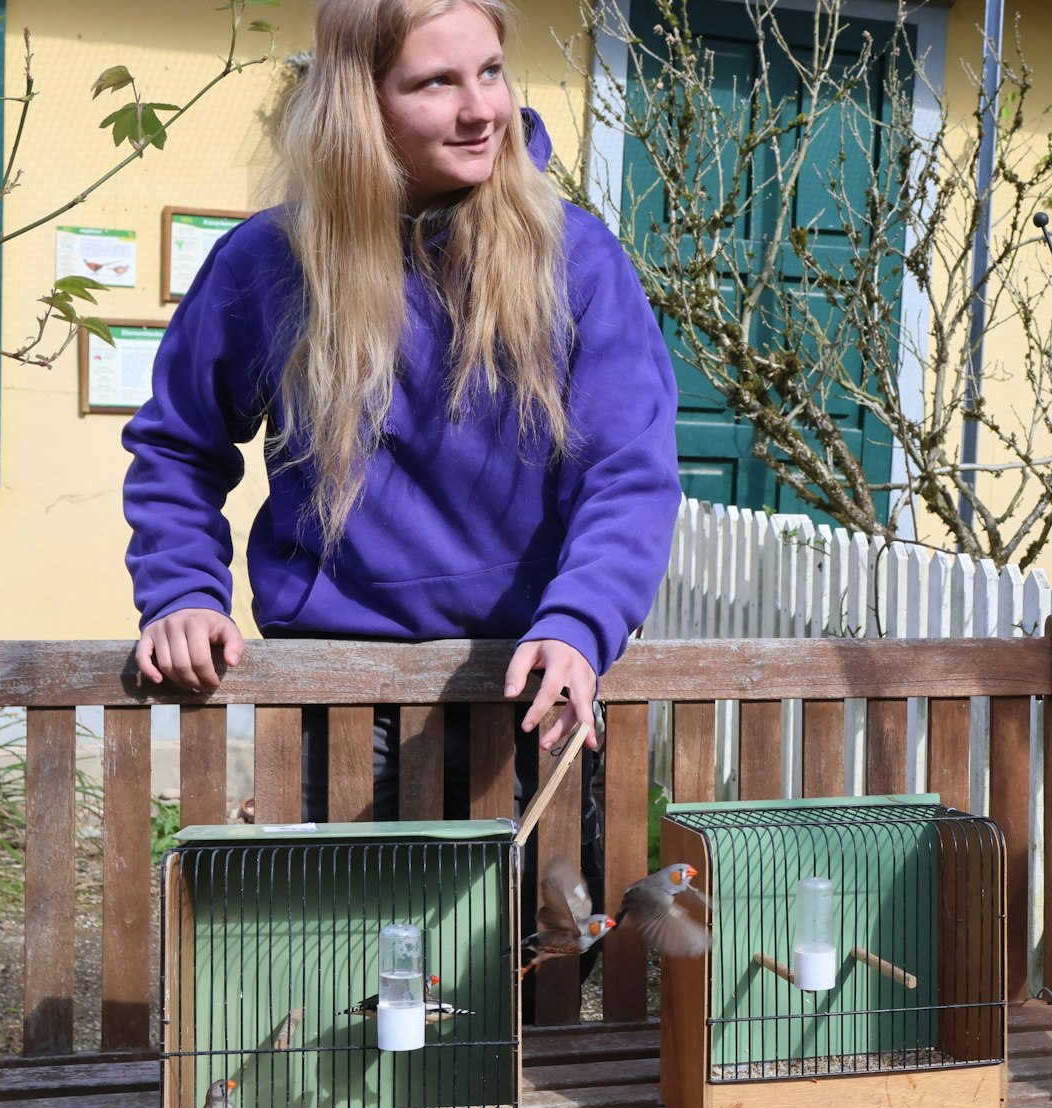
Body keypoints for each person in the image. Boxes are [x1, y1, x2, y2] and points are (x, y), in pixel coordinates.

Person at [121, 0, 679, 840]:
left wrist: (582, 620)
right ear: (361, 102)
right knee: (330, 962)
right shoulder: (269, 263)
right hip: (336, 691)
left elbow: (628, 473)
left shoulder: (579, 258)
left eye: (490, 70)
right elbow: (178, 445)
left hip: (528, 686)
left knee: (531, 959)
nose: (482, 109)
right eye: (436, 82)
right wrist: (181, 590)